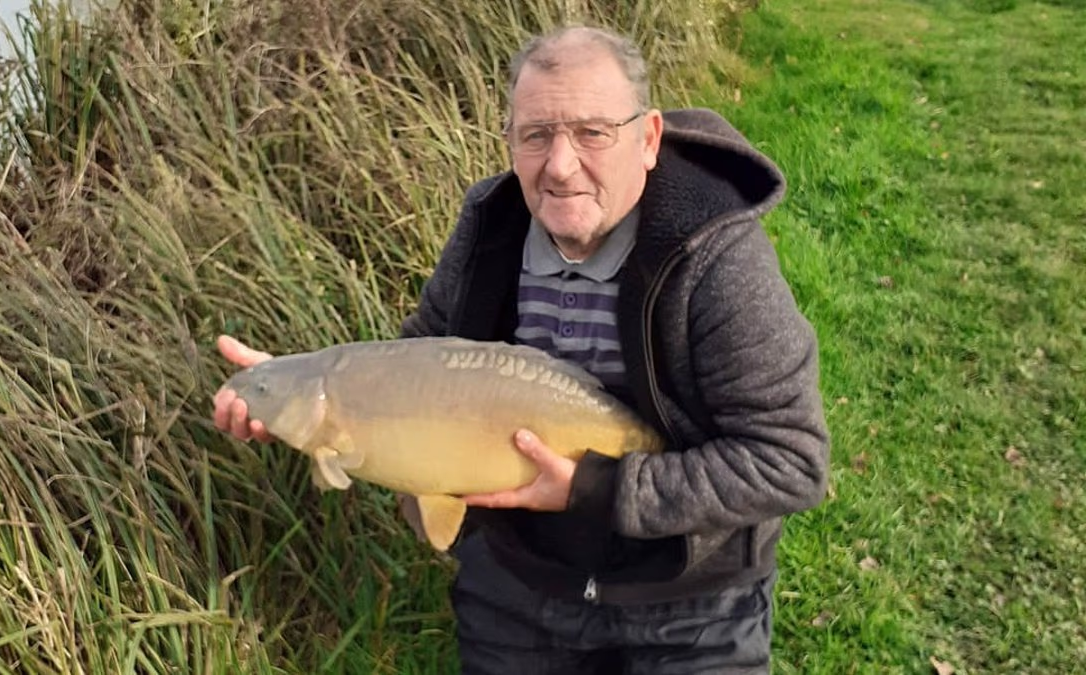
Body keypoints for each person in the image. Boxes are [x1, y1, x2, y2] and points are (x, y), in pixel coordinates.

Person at [213, 24, 829, 675]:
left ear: (647, 139)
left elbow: (791, 460)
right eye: (535, 135)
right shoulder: (490, 225)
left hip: (691, 591)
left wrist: (594, 488)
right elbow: (419, 358)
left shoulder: (714, 256)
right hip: (523, 582)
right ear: (508, 139)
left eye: (593, 132)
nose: (560, 166)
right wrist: (292, 389)